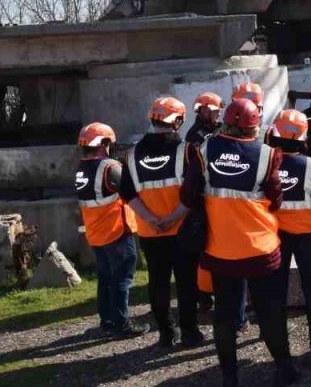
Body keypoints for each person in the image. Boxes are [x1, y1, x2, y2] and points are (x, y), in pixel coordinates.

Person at [181, 97, 296, 387]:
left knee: (225, 315)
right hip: (261, 248)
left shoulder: (203, 149)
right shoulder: (268, 154)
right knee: (270, 312)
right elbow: (276, 198)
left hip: (221, 249)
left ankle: (229, 380)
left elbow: (187, 196)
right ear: (254, 125)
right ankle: (284, 369)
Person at [120, 96, 203, 350]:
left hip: (149, 231)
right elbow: (195, 191)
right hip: (182, 230)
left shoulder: (132, 154)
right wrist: (172, 218)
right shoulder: (187, 150)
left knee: (157, 283)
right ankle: (190, 334)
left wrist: (151, 220)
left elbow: (128, 193)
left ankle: (166, 335)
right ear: (177, 121)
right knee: (187, 284)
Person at [268, 108, 311, 367]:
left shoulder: (267, 164)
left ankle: (282, 356)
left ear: (276, 136)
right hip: (310, 237)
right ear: (303, 138)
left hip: (276, 238)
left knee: (276, 295)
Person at [74, 122, 146, 338]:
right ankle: (122, 323)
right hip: (116, 231)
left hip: (96, 233)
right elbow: (131, 191)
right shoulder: (110, 167)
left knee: (105, 278)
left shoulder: (81, 168)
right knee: (122, 278)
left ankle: (107, 320)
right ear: (103, 143)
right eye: (109, 143)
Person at [181, 92, 224, 311]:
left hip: (219, 193)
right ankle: (204, 295)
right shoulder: (194, 136)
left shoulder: (221, 129)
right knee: (204, 247)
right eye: (215, 111)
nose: (218, 115)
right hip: (203, 197)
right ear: (204, 110)